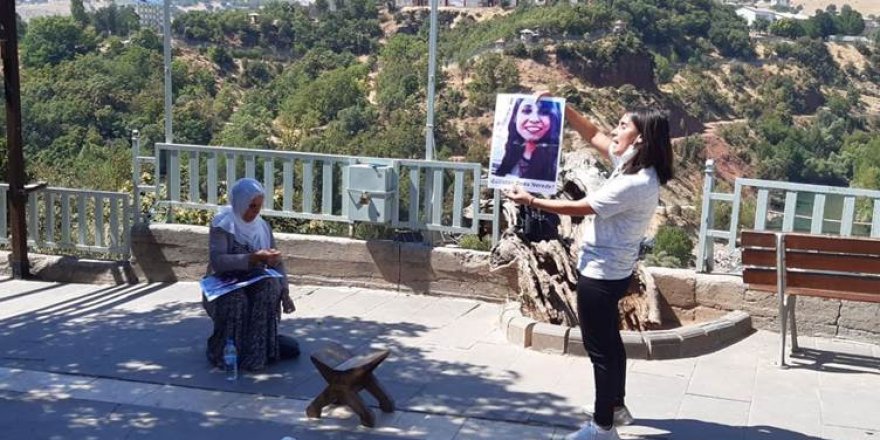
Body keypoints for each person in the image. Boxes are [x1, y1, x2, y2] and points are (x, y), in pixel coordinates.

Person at [504, 94, 674, 440]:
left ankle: (602, 427)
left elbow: (582, 207)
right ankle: (615, 407)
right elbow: (593, 133)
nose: (615, 129)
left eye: (624, 125)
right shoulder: (633, 162)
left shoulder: (636, 181)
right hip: (615, 267)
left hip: (602, 271)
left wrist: (531, 200)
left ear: (640, 136)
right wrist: (562, 109)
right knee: (610, 341)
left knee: (599, 349)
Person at [203, 178, 298, 372]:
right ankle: (226, 351)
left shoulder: (262, 227)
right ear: (240, 203)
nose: (255, 212)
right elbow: (218, 261)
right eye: (251, 206)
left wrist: (285, 291)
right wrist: (252, 258)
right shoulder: (223, 225)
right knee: (237, 300)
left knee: (269, 287)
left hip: (253, 279)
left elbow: (277, 262)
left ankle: (258, 353)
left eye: (258, 207)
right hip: (226, 282)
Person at [494, 96, 563, 182]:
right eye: (527, 111)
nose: (535, 119)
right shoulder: (512, 152)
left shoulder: (557, 162)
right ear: (515, 117)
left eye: (544, 112)